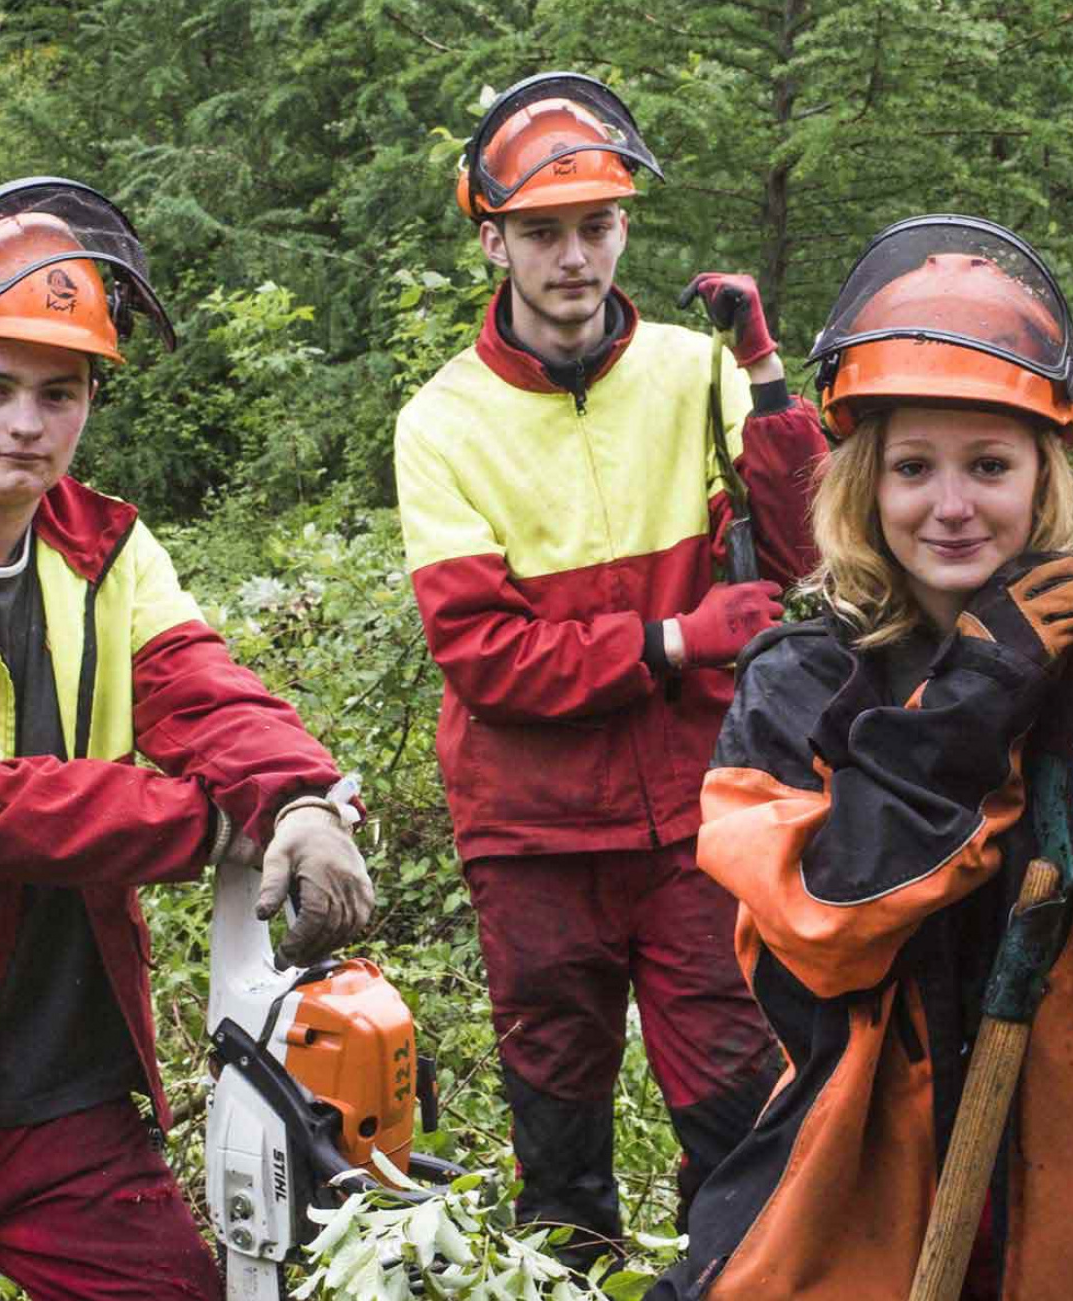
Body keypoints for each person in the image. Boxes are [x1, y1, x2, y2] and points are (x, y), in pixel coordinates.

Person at [652, 215, 1073, 1300]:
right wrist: (965, 710)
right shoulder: (801, 684)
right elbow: (824, 930)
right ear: (864, 485)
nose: (951, 506)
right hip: (854, 1214)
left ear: (1044, 475)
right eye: (914, 467)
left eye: (990, 466)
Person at [0, 178, 375, 1301]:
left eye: (58, 393)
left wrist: (296, 797)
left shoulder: (106, 546)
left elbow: (197, 684)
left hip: (61, 1085)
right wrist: (210, 826)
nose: (26, 422)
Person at [394, 72, 827, 1259]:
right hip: (532, 831)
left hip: (694, 816)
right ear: (494, 241)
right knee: (559, 1128)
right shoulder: (443, 422)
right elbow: (483, 657)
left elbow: (808, 548)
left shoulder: (696, 369)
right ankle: (569, 1275)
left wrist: (766, 370)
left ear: (625, 227)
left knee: (738, 1108)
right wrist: (675, 640)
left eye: (595, 226)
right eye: (543, 233)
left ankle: (727, 1278)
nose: (574, 257)